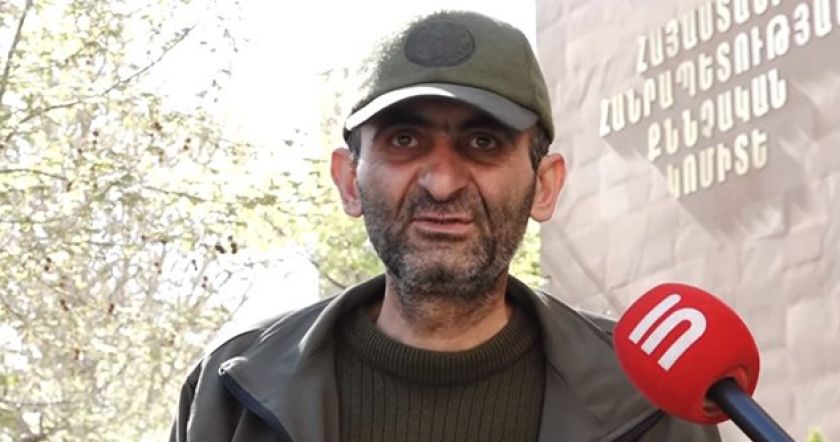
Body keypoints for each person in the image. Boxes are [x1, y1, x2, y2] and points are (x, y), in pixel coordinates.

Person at [170, 10, 721, 442]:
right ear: (348, 181)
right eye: (404, 140)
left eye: (483, 142)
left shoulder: (650, 399)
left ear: (545, 185)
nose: (441, 183)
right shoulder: (231, 394)